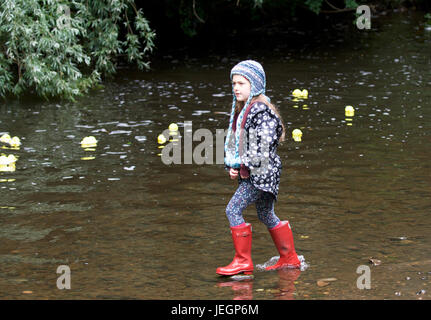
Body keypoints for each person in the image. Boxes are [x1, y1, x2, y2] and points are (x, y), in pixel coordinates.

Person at [216, 60, 301, 276]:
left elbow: (264, 143)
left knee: (232, 209)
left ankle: (243, 261)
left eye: (241, 83)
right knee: (265, 213)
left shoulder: (261, 110)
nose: (236, 87)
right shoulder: (242, 109)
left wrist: (245, 163)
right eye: (234, 83)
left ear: (254, 85)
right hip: (257, 173)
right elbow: (237, 143)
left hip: (262, 174)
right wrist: (233, 165)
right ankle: (289, 259)